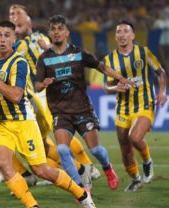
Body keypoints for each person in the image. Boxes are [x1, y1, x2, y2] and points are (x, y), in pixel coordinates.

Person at [0, 20, 96, 208]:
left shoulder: (19, 62)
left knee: (41, 170)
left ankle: (83, 196)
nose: (2, 39)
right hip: (0, 122)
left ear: (14, 39)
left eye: (7, 35)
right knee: (2, 162)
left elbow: (16, 96)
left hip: (23, 121)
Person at [35, 15, 135, 191]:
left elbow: (101, 67)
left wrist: (121, 78)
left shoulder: (79, 53)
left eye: (60, 29)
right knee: (63, 151)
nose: (57, 32)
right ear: (49, 32)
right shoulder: (43, 58)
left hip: (82, 110)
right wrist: (42, 84)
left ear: (67, 32)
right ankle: (80, 188)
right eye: (53, 29)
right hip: (60, 112)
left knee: (95, 150)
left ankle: (107, 168)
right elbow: (36, 85)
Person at [104, 20, 167, 192]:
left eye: (126, 31)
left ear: (132, 35)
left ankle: (147, 161)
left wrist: (162, 91)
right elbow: (107, 86)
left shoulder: (143, 53)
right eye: (119, 32)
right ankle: (135, 178)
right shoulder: (109, 60)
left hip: (144, 103)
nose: (122, 34)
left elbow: (161, 73)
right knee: (125, 149)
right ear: (116, 37)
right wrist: (114, 87)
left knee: (134, 137)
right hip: (122, 109)